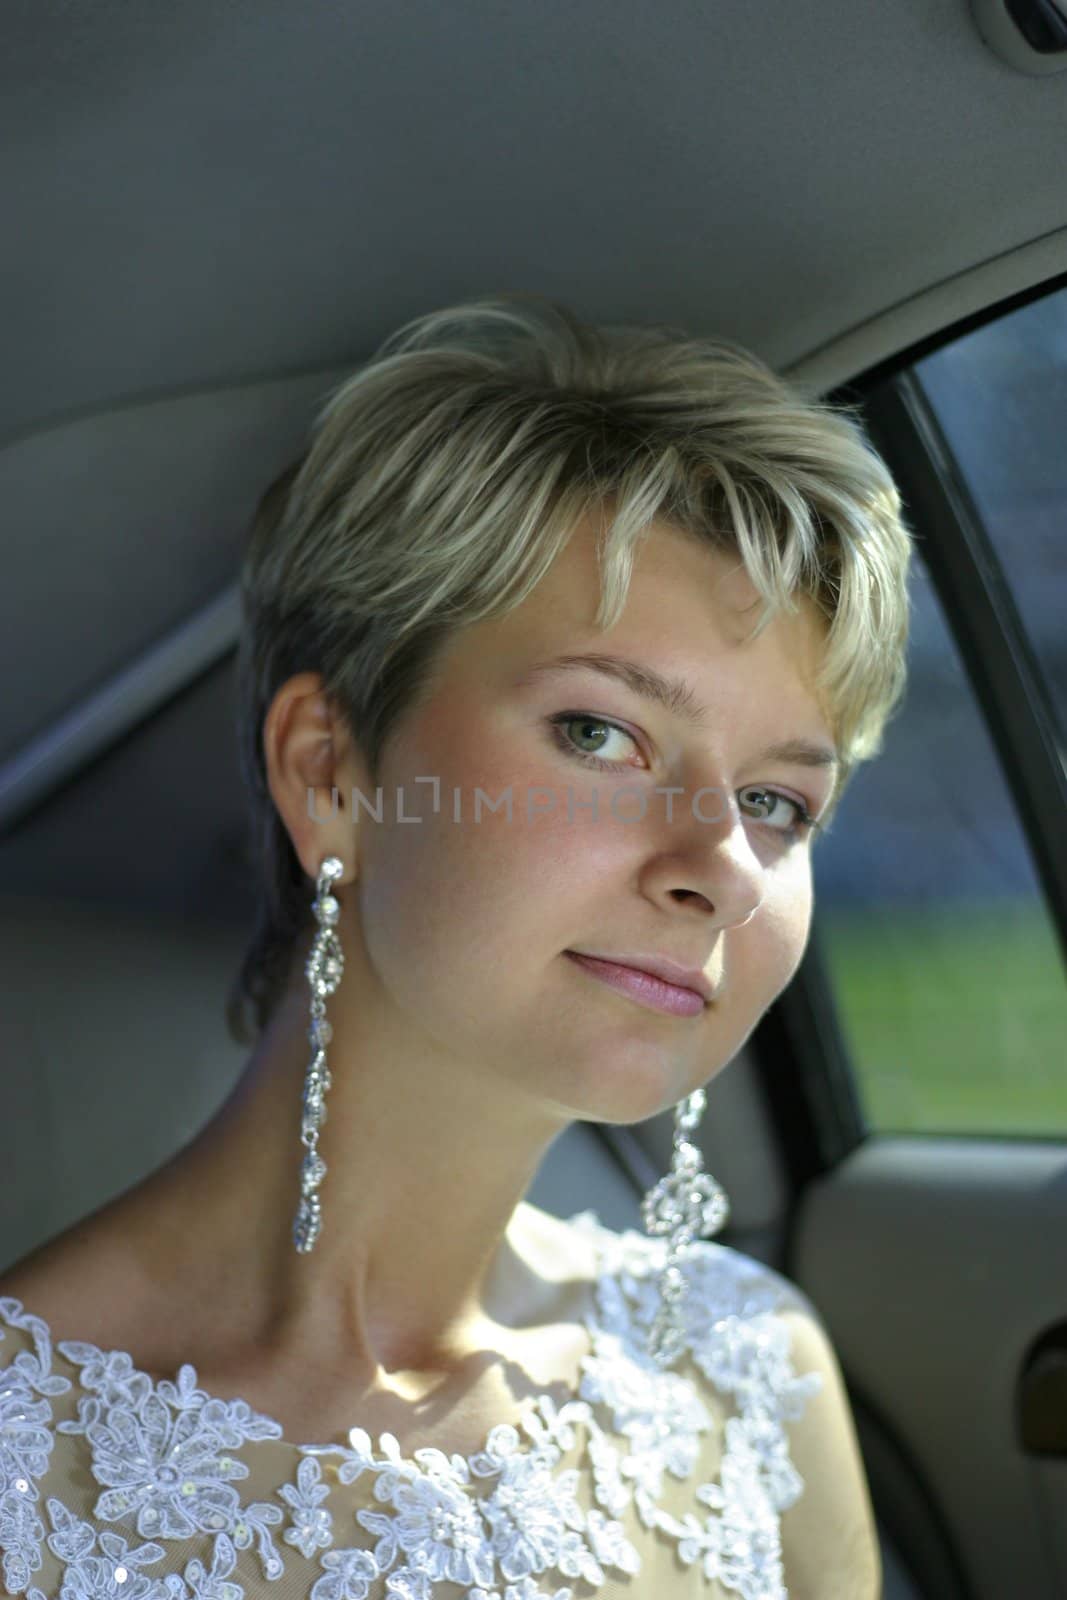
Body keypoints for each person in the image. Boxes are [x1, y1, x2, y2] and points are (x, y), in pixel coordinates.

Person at [0, 294, 911, 1599]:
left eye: (778, 801)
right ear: (334, 773)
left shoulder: (752, 1370)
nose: (718, 866)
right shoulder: (25, 1466)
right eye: (603, 734)